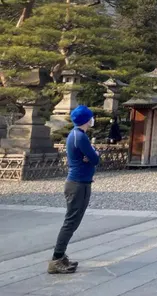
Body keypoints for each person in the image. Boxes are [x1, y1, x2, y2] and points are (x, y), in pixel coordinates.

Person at [48, 105, 99, 274]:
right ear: (87, 120)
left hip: (80, 182)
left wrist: (91, 156)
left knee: (73, 222)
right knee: (71, 222)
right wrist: (93, 155)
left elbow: (90, 158)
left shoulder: (76, 135)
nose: (92, 120)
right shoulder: (80, 136)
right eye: (91, 117)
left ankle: (60, 256)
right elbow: (94, 159)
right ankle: (56, 258)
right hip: (77, 184)